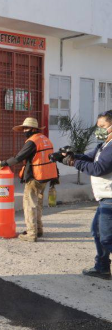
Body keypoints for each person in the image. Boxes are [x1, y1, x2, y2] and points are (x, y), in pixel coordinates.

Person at [59, 111, 112, 279]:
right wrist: (67, 156)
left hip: (110, 199)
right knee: (97, 232)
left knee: (107, 239)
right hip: (104, 197)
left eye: (103, 127)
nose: (100, 130)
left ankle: (102, 267)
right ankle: (102, 267)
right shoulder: (104, 145)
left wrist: (74, 162)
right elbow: (89, 158)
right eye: (98, 127)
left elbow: (98, 169)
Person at [0, 117, 58, 242]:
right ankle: (38, 230)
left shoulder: (32, 142)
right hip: (46, 176)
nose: (24, 130)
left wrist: (3, 164)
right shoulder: (45, 139)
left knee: (30, 205)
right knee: (38, 204)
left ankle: (31, 234)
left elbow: (18, 157)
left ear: (34, 129)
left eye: (26, 128)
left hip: (35, 177)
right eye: (23, 128)